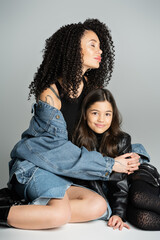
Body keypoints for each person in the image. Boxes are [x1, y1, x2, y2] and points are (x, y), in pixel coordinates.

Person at [0, 18, 140, 230]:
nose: (99, 50)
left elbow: (103, 131)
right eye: (92, 45)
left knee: (98, 205)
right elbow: (58, 152)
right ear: (74, 50)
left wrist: (130, 155)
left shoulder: (92, 89)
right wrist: (110, 165)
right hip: (36, 167)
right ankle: (29, 210)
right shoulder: (50, 94)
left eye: (101, 46)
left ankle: (29, 209)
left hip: (64, 171)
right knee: (59, 214)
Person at [72, 88, 160, 231]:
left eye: (107, 114)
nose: (101, 119)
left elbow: (119, 180)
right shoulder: (76, 141)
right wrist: (117, 214)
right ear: (85, 114)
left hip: (135, 178)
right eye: (95, 113)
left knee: (138, 197)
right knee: (142, 219)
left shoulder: (122, 139)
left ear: (113, 116)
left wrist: (118, 212)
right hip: (116, 195)